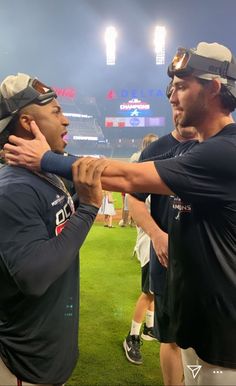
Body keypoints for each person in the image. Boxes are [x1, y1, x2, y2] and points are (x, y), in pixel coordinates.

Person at [4, 41, 236, 385]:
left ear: (215, 88)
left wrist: (46, 159)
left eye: (182, 87)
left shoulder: (225, 151)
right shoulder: (196, 149)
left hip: (225, 338)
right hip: (200, 326)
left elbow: (127, 177)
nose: (172, 96)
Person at [0, 73, 106, 386]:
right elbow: (35, 276)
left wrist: (47, 159)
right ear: (27, 122)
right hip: (23, 361)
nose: (66, 122)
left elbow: (93, 172)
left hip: (47, 347)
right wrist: (87, 210)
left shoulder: (45, 175)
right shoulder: (12, 190)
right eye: (56, 113)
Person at [128, 109, 198, 382]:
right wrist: (156, 234)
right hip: (166, 258)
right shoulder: (156, 150)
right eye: (174, 101)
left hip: (207, 260)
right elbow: (133, 197)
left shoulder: (215, 145)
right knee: (169, 336)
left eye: (185, 95)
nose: (180, 108)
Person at [123, 134, 158, 365]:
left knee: (156, 290)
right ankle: (132, 336)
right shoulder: (145, 180)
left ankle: (150, 328)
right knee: (148, 292)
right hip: (149, 245)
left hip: (155, 244)